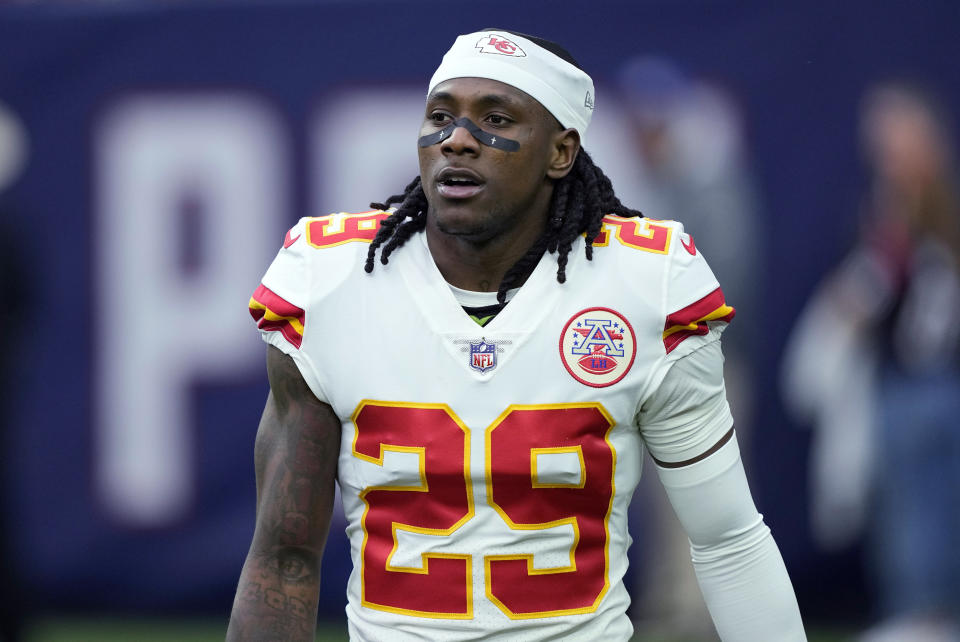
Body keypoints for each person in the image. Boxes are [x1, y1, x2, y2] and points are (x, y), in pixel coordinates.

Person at [227, 29, 805, 641]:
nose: (456, 139)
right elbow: (283, 557)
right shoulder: (331, 280)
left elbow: (729, 540)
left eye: (495, 119)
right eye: (441, 116)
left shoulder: (645, 284)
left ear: (561, 152)